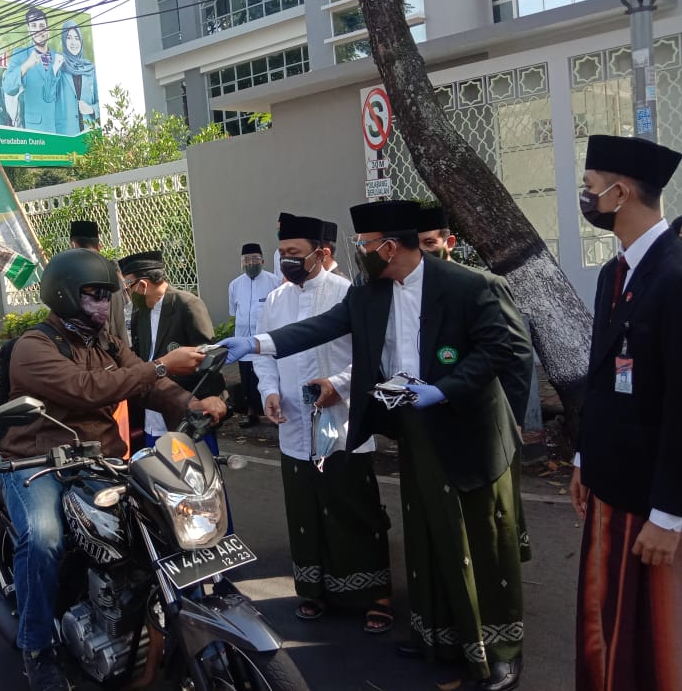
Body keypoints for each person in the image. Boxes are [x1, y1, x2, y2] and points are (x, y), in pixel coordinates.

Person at [221, 200, 526, 691]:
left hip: (468, 430)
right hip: (417, 428)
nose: (359, 254)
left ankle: (500, 650)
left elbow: (504, 350)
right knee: (429, 536)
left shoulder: (469, 285)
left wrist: (445, 387)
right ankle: (439, 637)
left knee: (480, 542)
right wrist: (257, 346)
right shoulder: (373, 292)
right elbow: (322, 327)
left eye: (364, 246)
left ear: (389, 245)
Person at [0, 248, 226, 690]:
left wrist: (195, 404)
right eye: (92, 294)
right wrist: (161, 365)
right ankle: (37, 647)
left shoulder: (106, 342)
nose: (103, 304)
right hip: (35, 463)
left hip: (98, 460)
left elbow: (151, 384)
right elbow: (85, 390)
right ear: (63, 295)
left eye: (107, 295)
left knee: (159, 525)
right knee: (43, 540)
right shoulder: (33, 346)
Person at [569, 135, 682, 691]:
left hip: (653, 505)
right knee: (605, 632)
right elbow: (604, 377)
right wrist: (582, 456)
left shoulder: (676, 275)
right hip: (610, 486)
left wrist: (670, 515)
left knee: (657, 646)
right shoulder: (611, 275)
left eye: (590, 189)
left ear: (624, 191)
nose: (585, 198)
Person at [254, 213, 393, 631]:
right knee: (306, 509)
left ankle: (375, 593)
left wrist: (337, 385)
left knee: (351, 507)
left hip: (339, 422)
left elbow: (372, 358)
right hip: (293, 425)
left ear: (323, 253)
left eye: (294, 253)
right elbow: (265, 355)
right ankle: (314, 590)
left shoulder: (347, 294)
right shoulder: (276, 300)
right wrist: (269, 393)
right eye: (281, 254)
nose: (285, 261)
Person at [418, 205, 534, 563]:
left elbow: (516, 354)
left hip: (484, 416)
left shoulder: (478, 283)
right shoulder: (408, 292)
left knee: (492, 514)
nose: (423, 253)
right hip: (435, 417)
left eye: (429, 243)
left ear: (448, 242)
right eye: (416, 245)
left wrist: (512, 415)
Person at [119, 249, 224, 451]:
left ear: (142, 284)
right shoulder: (139, 312)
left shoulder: (187, 304)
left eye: (128, 285)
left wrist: (209, 400)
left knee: (195, 472)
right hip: (154, 407)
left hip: (186, 407)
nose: (127, 292)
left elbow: (208, 358)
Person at [227, 242, 279, 427]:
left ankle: (273, 413)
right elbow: (234, 313)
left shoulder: (274, 282)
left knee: (268, 378)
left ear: (263, 260)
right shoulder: (235, 285)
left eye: (254, 259)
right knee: (248, 382)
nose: (251, 263)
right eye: (246, 260)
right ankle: (251, 413)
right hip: (243, 344)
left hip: (266, 344)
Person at [2, 7, 60, 133]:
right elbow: (7, 87)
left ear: (48, 29)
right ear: (29, 30)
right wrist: (26, 65)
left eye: (41, 25)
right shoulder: (20, 54)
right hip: (35, 130)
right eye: (34, 25)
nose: (39, 30)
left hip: (60, 129)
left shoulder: (59, 58)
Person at [69, 220, 127, 344]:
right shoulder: (114, 271)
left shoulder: (76, 274)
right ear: (99, 245)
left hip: (95, 350)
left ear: (73, 245)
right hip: (121, 346)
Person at [55, 20, 98, 135]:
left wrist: (92, 109)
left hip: (90, 133)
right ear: (64, 40)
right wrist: (53, 70)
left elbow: (100, 102)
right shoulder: (59, 66)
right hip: (66, 135)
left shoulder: (90, 69)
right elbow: (48, 97)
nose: (73, 42)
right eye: (69, 38)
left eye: (77, 38)